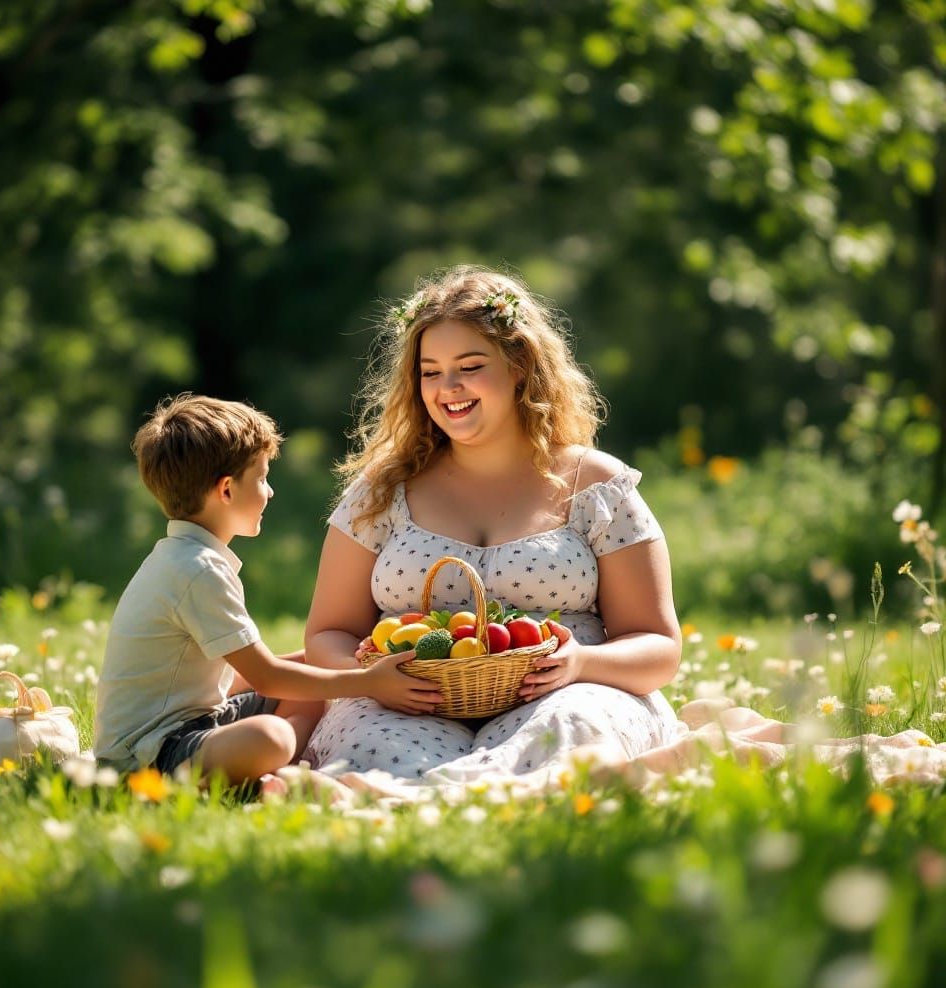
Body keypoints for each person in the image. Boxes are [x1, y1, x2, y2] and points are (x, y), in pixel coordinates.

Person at [303, 267, 683, 783]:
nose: (448, 388)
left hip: (565, 695)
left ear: (519, 365)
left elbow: (658, 646)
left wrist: (580, 665)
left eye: (470, 366)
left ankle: (453, 799)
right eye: (431, 371)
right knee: (380, 752)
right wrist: (369, 678)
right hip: (402, 707)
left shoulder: (596, 485)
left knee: (571, 733)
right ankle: (442, 797)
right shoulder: (381, 491)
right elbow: (328, 633)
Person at [93, 394, 438, 786]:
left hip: (195, 721)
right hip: (150, 753)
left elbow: (234, 679)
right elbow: (267, 678)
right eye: (261, 477)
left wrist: (335, 665)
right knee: (269, 736)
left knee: (312, 665)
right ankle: (274, 770)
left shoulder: (186, 558)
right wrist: (369, 681)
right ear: (226, 490)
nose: (270, 491)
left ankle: (280, 774)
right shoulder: (196, 571)